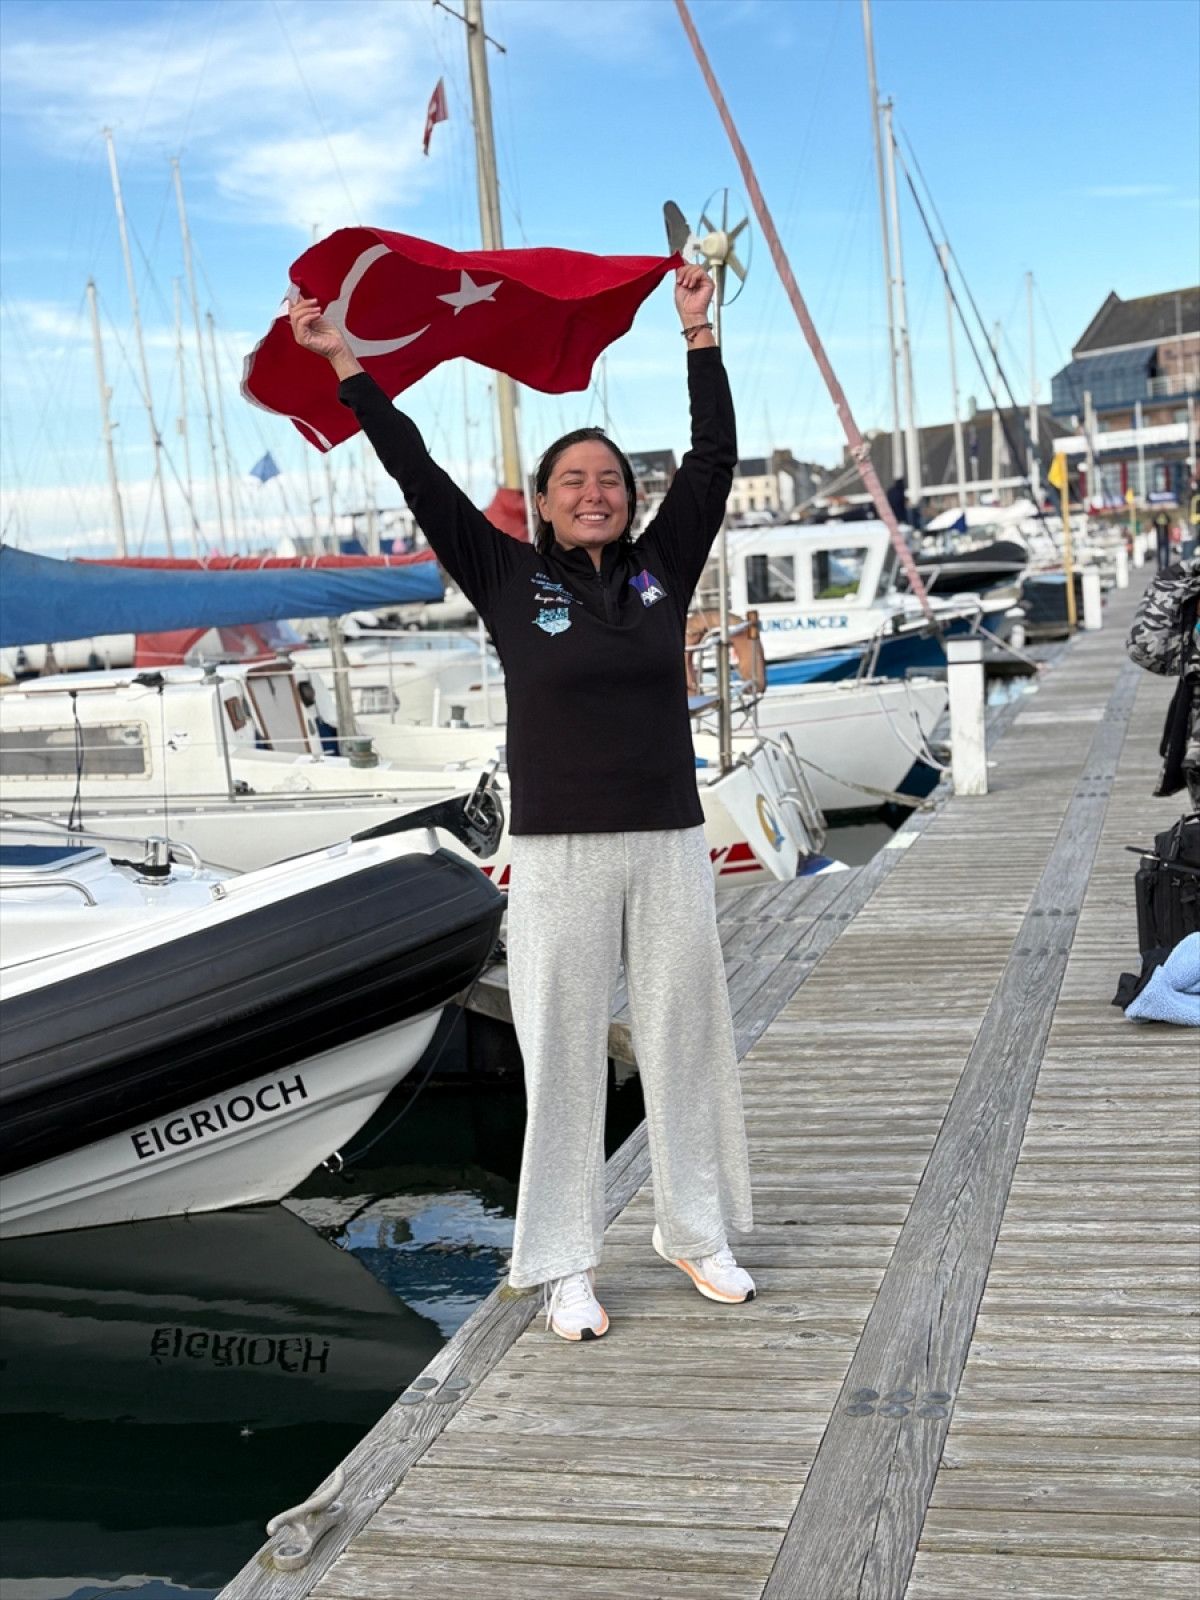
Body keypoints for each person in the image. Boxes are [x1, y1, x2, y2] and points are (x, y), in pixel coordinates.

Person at [289, 265, 755, 1342]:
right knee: (561, 1051)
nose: (595, 492)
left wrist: (699, 335)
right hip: (559, 853)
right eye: (573, 480)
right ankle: (562, 1264)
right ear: (544, 503)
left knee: (685, 1038)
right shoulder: (508, 580)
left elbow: (714, 459)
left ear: (631, 499)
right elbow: (417, 473)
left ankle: (696, 1229)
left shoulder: (661, 572)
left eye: (611, 479)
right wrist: (347, 365)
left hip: (669, 842)